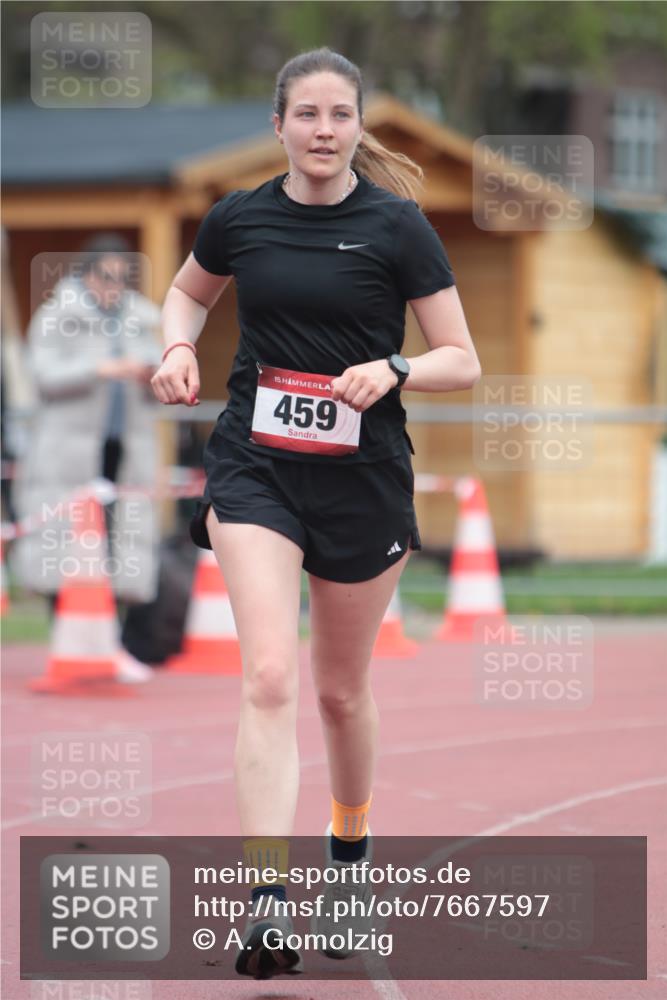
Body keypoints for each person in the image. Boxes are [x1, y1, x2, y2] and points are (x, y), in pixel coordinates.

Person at [151, 46, 480, 978]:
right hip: (255, 469)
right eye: (307, 115)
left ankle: (348, 860)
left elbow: (461, 356)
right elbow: (186, 290)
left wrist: (396, 367)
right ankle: (265, 900)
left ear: (358, 125)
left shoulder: (399, 226)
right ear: (279, 126)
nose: (324, 131)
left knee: (339, 691)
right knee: (266, 677)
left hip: (361, 476)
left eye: (340, 115)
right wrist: (179, 346)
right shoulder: (239, 217)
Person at [11, 234, 163, 682]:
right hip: (68, 457)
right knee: (65, 545)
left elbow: (161, 377)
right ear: (85, 274)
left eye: (120, 278)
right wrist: (98, 370)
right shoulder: (58, 316)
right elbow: (41, 374)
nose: (112, 286)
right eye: (104, 276)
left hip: (124, 453)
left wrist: (151, 374)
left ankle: (111, 643)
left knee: (121, 546)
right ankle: (68, 641)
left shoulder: (138, 320)